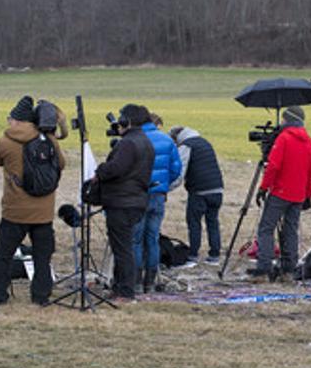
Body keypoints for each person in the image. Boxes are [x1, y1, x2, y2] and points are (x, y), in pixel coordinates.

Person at [0, 96, 67, 306]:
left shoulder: (6, 141)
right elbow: (61, 163)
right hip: (43, 212)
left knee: (3, 255)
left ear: (16, 120)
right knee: (42, 258)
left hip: (15, 210)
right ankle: (40, 295)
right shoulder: (49, 140)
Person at [94, 104, 155, 302]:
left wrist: (101, 170)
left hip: (122, 202)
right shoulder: (144, 141)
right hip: (134, 200)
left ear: (126, 121)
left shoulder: (129, 143)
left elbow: (116, 169)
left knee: (122, 249)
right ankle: (121, 287)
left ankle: (125, 291)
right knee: (124, 246)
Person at [251, 106, 311, 283]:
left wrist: (264, 188)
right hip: (298, 195)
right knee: (290, 231)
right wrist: (308, 194)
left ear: (287, 120)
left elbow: (273, 166)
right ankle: (289, 269)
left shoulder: (284, 139)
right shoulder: (310, 143)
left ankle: (263, 268)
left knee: (266, 228)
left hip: (280, 192)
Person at [132, 112, 182, 292]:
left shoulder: (135, 140)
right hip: (159, 196)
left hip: (138, 195)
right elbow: (176, 170)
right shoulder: (167, 141)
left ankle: (136, 281)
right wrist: (164, 186)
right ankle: (150, 281)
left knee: (136, 239)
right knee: (152, 239)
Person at [170, 125, 224, 267]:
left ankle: (193, 256)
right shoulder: (205, 142)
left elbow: (180, 173)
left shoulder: (186, 146)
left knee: (194, 223)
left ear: (177, 138)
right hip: (217, 189)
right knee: (213, 223)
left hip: (199, 191)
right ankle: (214, 255)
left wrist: (167, 188)